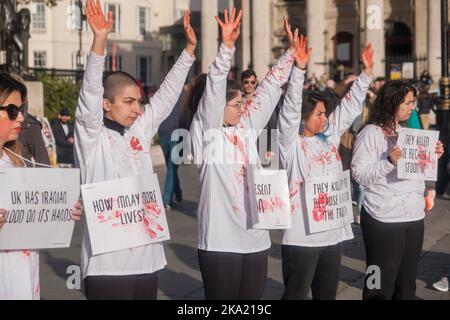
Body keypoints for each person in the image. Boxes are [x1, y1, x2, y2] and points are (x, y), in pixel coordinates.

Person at [74, 0, 196, 300]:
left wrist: (189, 52)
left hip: (147, 259)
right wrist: (100, 41)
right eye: (129, 102)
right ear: (107, 104)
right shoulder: (91, 136)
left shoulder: (139, 129)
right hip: (107, 266)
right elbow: (90, 93)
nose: (137, 109)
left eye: (139, 101)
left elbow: (167, 97)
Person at [188, 12, 297, 299]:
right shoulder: (207, 134)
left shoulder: (246, 128)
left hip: (256, 239)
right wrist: (226, 49)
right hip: (221, 243)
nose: (241, 108)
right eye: (235, 104)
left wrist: (291, 54)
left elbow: (270, 90)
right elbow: (213, 92)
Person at [278, 36, 374, 300]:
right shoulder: (291, 144)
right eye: (318, 114)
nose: (324, 118)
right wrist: (298, 71)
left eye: (324, 113)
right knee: (296, 295)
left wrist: (365, 74)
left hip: (331, 237)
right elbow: (288, 111)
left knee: (327, 295)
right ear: (304, 117)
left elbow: (350, 107)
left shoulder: (329, 137)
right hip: (301, 239)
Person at [351, 80, 445, 300]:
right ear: (393, 102)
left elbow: (415, 171)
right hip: (382, 218)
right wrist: (388, 162)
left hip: (413, 217)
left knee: (406, 284)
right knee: (377, 283)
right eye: (408, 102)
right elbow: (359, 174)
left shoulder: (406, 132)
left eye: (414, 102)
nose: (413, 106)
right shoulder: (370, 133)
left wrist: (431, 156)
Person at [0, 72, 81, 300]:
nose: (21, 119)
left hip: (24, 273)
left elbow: (29, 214)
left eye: (22, 110)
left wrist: (62, 210)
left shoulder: (16, 160)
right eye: (13, 111)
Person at [158, 85, 188, 209]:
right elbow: (187, 113)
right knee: (172, 167)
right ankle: (167, 200)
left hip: (163, 132)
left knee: (171, 167)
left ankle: (178, 192)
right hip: (177, 133)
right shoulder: (185, 95)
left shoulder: (163, 93)